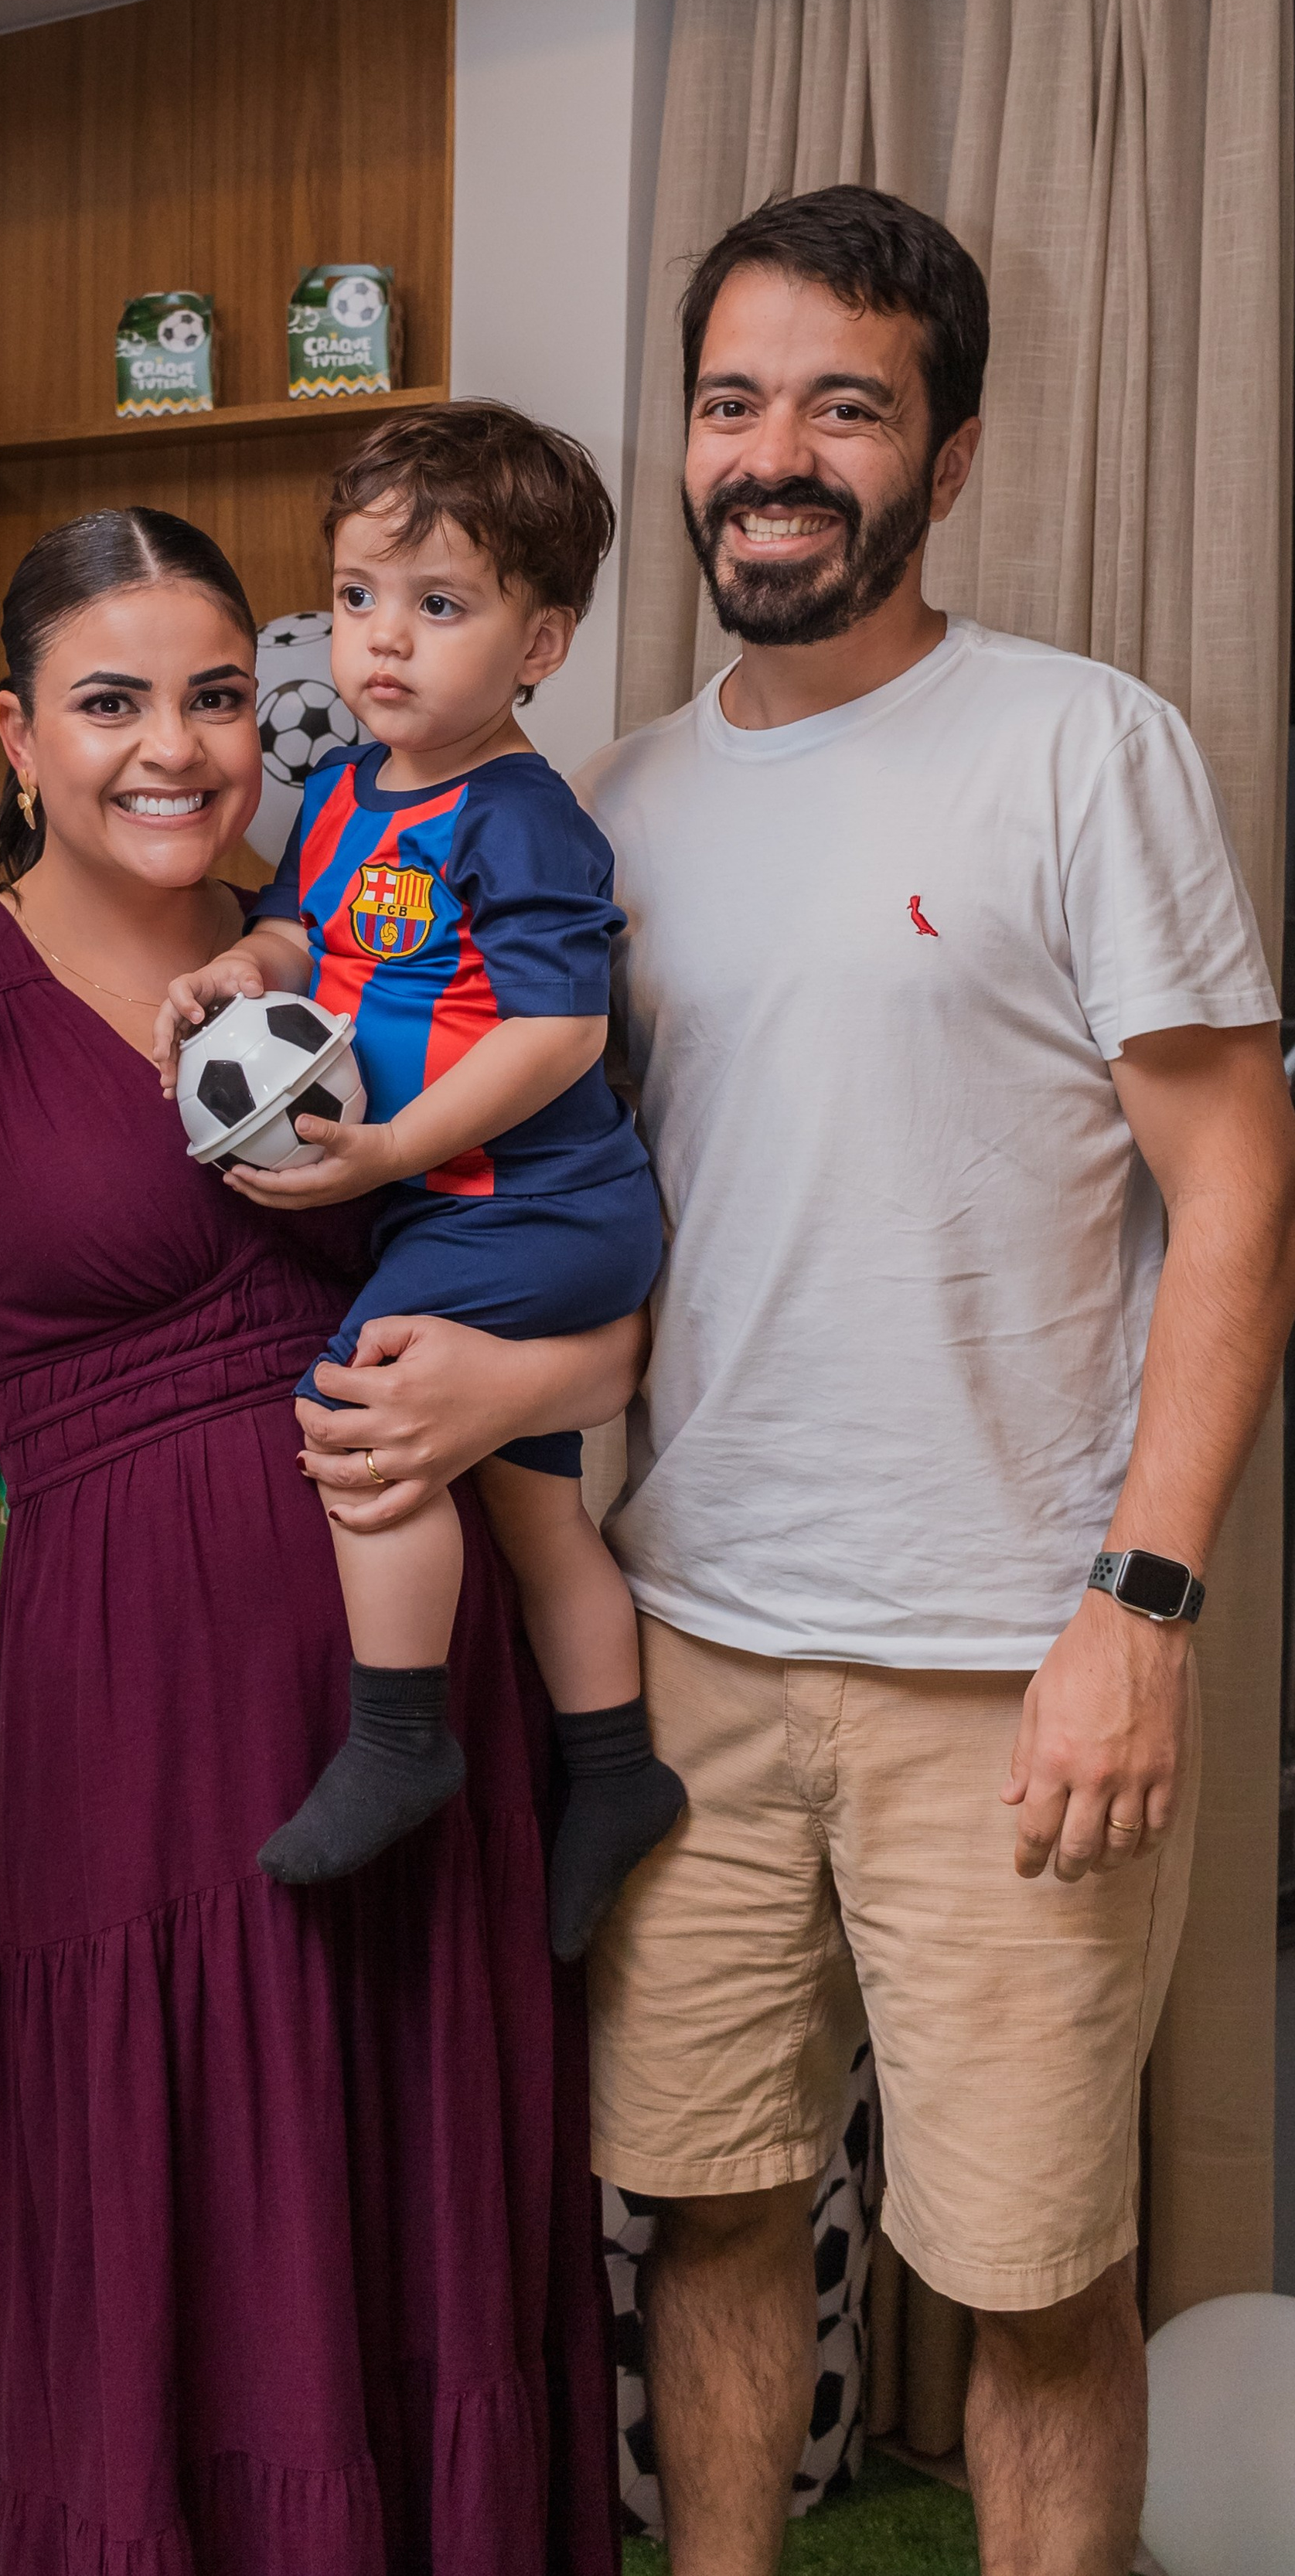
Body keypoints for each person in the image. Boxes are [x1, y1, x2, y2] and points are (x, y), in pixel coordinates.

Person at [0, 504, 633, 2576]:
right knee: (193, 2180)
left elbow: (604, 1278)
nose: (175, 749)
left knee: (425, 2173)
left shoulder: (369, 938)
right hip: (141, 1727)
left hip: (423, 1700)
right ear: (10, 735)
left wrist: (509, 1387)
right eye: (112, 702)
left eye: (218, 696)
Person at [578, 182, 1295, 2576]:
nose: (773, 456)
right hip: (690, 1640)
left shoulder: (1082, 748)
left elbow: (1242, 1192)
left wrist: (1141, 1606)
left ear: (948, 458)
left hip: (1015, 1666)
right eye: (731, 403)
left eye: (844, 409)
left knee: (1034, 2276)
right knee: (709, 2206)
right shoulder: (618, 805)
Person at [157, 406, 683, 1956]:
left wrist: (393, 1150)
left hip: (533, 1205)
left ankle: (399, 1738)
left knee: (362, 1408)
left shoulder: (518, 816)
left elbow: (557, 1029)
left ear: (541, 645)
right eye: (357, 597)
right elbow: (302, 928)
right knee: (533, 1507)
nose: (382, 640)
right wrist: (244, 965)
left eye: (438, 605)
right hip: (461, 1205)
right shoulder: (345, 789)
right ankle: (615, 1774)